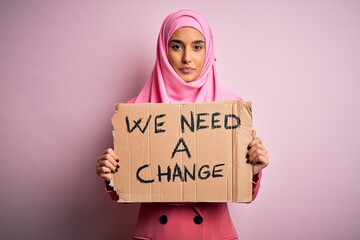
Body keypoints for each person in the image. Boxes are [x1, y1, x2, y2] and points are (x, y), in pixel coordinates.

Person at [96, 9, 269, 240]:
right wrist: (112, 174)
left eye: (197, 47)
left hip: (213, 234)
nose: (187, 58)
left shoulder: (232, 109)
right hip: (155, 233)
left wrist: (252, 171)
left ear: (208, 51)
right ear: (163, 50)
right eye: (177, 46)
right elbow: (125, 190)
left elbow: (242, 192)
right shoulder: (135, 110)